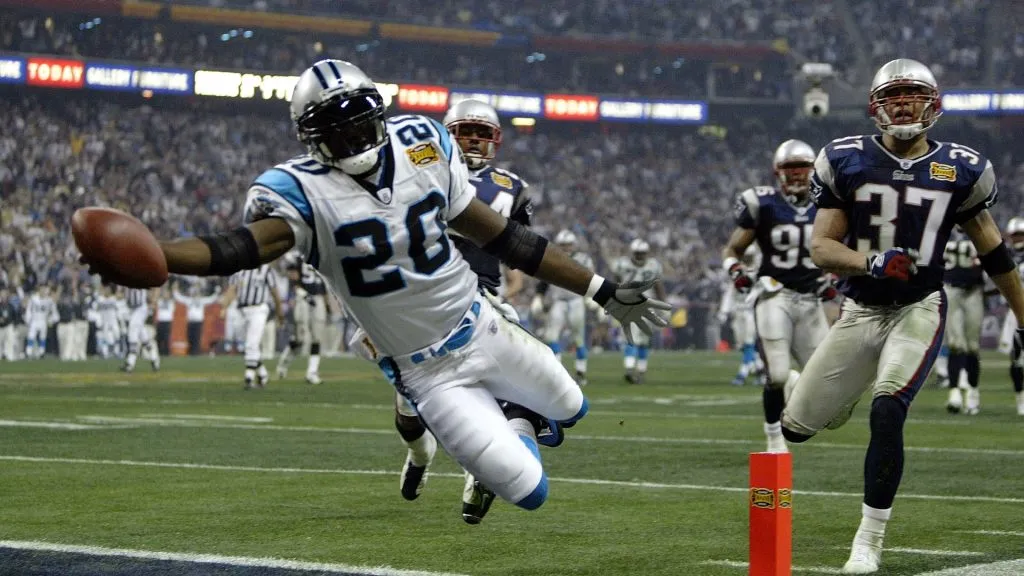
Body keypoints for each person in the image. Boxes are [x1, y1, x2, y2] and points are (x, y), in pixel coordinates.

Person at [82, 59, 668, 514]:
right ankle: (490, 440)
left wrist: (602, 289)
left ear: (378, 113)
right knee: (531, 491)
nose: (354, 137)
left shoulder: (423, 142)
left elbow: (509, 241)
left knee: (573, 406)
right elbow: (233, 249)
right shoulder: (299, 191)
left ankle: (509, 421)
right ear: (311, 141)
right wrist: (158, 256)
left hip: (482, 326)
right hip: (425, 373)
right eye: (336, 131)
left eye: (361, 120)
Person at [781, 58, 1024, 574]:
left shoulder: (962, 167)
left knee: (888, 409)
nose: (904, 103)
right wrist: (868, 260)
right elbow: (822, 247)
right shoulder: (845, 158)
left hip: (919, 307)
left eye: (914, 93)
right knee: (795, 429)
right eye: (894, 95)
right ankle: (838, 399)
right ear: (875, 106)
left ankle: (868, 540)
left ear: (933, 103)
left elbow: (995, 254)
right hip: (859, 309)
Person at [368, 98, 540, 524]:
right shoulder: (419, 173)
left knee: (501, 388)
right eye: (468, 131)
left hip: (482, 297)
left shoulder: (512, 187)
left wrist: (513, 288)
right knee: (412, 414)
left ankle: (483, 473)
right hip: (422, 301)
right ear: (450, 133)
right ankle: (419, 454)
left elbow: (519, 249)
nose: (476, 140)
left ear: (496, 139)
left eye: (484, 133)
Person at [721, 139, 836, 453]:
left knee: (823, 381)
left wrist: (833, 279)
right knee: (776, 375)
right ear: (778, 172)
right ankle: (773, 438)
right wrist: (736, 271)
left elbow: (838, 247)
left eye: (802, 168)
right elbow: (733, 249)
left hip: (812, 300)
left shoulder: (827, 205)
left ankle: (794, 385)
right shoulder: (763, 203)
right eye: (790, 168)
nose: (797, 175)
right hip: (775, 295)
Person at [532, 230, 594, 385]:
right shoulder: (551, 257)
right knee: (551, 336)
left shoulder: (583, 259)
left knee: (578, 337)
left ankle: (581, 372)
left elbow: (590, 281)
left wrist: (592, 298)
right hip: (558, 301)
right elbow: (543, 280)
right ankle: (557, 371)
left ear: (574, 245)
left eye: (568, 245)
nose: (566, 248)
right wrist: (538, 297)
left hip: (576, 300)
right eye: (563, 245)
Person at [941, 228, 984, 414]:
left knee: (973, 346)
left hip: (973, 291)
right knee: (955, 344)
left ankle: (973, 393)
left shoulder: (979, 227)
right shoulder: (944, 228)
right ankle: (955, 393)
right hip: (951, 290)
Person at [221, 264, 284, 389]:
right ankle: (262, 373)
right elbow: (232, 289)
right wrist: (224, 306)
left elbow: (274, 292)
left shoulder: (266, 270)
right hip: (241, 311)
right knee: (249, 346)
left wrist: (279, 312)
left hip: (259, 309)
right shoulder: (239, 270)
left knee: (251, 344)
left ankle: (249, 377)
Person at [613, 239, 666, 384]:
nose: (640, 256)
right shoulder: (622, 264)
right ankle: (630, 369)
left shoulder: (653, 265)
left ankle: (641, 371)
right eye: (637, 253)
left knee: (644, 340)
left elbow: (658, 286)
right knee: (630, 337)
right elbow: (615, 283)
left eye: (642, 254)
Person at [717, 244, 763, 386]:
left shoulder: (760, 271)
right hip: (738, 311)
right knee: (742, 345)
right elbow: (730, 292)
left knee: (749, 344)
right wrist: (724, 311)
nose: (747, 259)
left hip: (750, 311)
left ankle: (742, 374)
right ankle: (761, 371)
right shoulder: (738, 271)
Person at [276, 256, 327, 384]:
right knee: (300, 339)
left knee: (317, 338)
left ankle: (312, 372)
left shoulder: (325, 255)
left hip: (318, 298)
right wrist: (303, 294)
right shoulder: (300, 256)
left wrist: (327, 303)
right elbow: (292, 277)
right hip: (303, 299)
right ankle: (283, 364)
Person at [999, 216, 1024, 416]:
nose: (1017, 239)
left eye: (1021, 235)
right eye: (1015, 235)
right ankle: (1020, 399)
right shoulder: (1004, 255)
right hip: (1015, 310)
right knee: (1016, 357)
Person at [122, 287, 161, 372]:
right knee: (143, 336)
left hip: (140, 308)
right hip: (131, 309)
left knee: (132, 332)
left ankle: (130, 363)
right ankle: (154, 359)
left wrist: (153, 300)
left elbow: (155, 287)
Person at [24, 285, 56, 359]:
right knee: (31, 336)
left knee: (42, 337)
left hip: (43, 320)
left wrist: (50, 320)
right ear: (39, 290)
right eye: (41, 289)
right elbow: (29, 309)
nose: (43, 291)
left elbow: (53, 311)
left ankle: (42, 353)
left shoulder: (49, 300)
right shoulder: (33, 299)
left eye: (44, 290)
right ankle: (28, 352)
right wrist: (28, 319)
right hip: (34, 320)